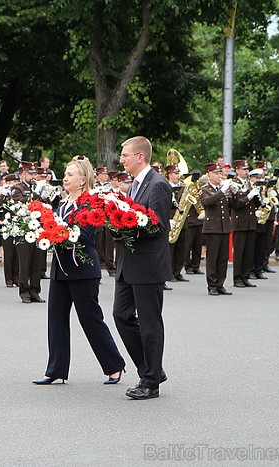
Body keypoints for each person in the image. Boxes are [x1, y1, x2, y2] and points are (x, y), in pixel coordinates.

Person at [33, 156, 125, 385]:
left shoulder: (90, 203)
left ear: (83, 180)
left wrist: (58, 232)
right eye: (65, 174)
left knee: (90, 319)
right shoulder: (62, 204)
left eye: (70, 174)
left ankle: (114, 366)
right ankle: (56, 370)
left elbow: (85, 235)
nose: (65, 178)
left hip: (83, 269)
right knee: (56, 319)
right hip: (61, 268)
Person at [112, 136, 171, 400]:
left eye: (125, 155)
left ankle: (150, 382)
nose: (121, 160)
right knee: (121, 315)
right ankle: (152, 369)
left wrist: (127, 225)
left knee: (149, 324)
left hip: (147, 263)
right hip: (129, 262)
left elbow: (158, 227)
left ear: (140, 157)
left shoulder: (158, 184)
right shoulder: (133, 186)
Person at [11, 161, 47, 303]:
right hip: (24, 230)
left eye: (34, 174)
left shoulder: (36, 188)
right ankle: (24, 291)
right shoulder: (17, 188)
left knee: (37, 262)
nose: (33, 176)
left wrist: (43, 194)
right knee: (25, 262)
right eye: (30, 174)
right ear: (22, 174)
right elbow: (22, 205)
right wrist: (36, 195)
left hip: (38, 229)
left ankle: (35, 291)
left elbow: (47, 205)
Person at [199, 163, 233, 295]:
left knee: (223, 258)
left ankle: (220, 284)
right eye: (217, 174)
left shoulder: (222, 188)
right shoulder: (205, 189)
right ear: (209, 175)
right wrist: (222, 192)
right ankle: (212, 285)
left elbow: (233, 205)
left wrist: (235, 194)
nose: (220, 176)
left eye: (220, 173)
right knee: (212, 258)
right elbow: (207, 202)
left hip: (224, 227)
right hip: (212, 228)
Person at [229, 160, 259, 288]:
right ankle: (237, 278)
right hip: (240, 221)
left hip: (250, 221)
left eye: (247, 169)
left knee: (248, 251)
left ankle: (245, 276)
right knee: (239, 251)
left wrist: (259, 198)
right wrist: (249, 196)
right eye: (243, 169)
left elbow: (255, 204)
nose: (246, 172)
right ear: (237, 170)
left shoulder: (249, 183)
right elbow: (236, 204)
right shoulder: (233, 184)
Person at [165, 164, 188, 283]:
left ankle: (177, 271)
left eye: (178, 174)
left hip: (181, 221)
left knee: (181, 248)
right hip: (170, 219)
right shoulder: (165, 187)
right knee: (170, 248)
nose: (177, 176)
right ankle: (169, 273)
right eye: (175, 174)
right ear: (169, 175)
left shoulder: (182, 188)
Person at [0, 173, 20, 287]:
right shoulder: (5, 194)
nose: (14, 184)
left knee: (17, 253)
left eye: (16, 182)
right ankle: (8, 278)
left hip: (18, 225)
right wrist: (3, 195)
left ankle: (16, 277)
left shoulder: (18, 193)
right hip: (7, 225)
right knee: (9, 253)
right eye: (12, 182)